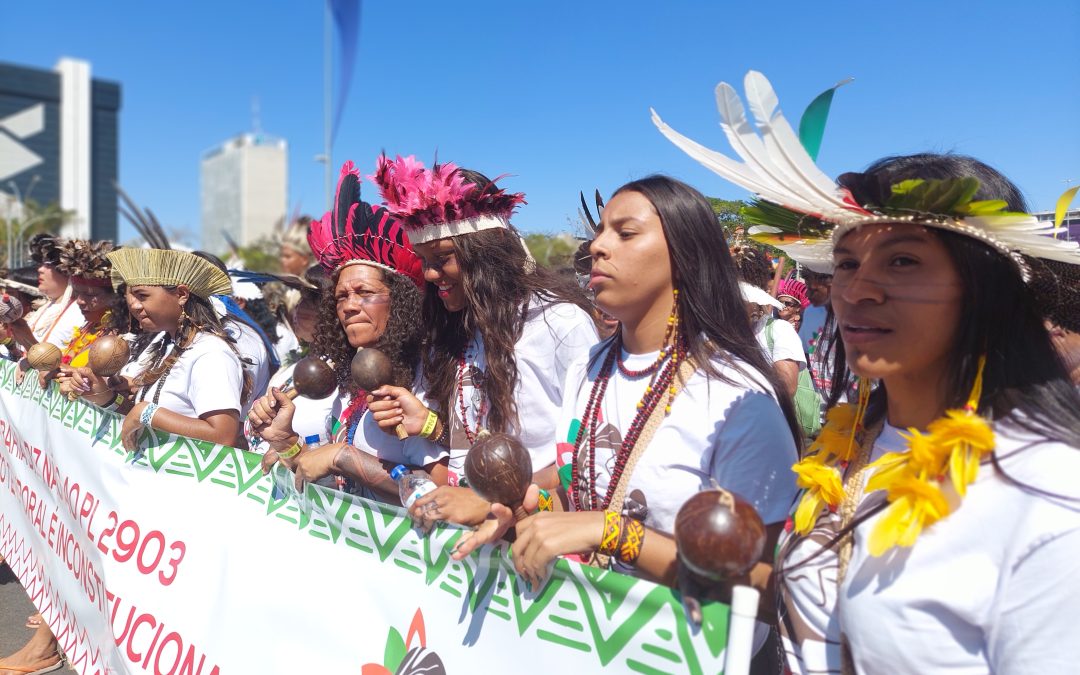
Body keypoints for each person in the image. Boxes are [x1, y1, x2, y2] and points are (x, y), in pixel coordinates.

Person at [657, 71, 1080, 672]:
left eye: (903, 260)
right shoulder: (849, 445)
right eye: (848, 262)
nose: (858, 289)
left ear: (986, 289)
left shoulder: (1049, 495)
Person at [455, 176, 800, 629]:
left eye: (625, 232)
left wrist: (618, 534)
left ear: (685, 254)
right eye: (600, 231)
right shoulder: (587, 368)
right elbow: (579, 499)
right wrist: (521, 514)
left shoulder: (738, 397)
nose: (597, 246)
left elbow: (773, 586)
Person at [367, 155, 598, 526]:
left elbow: (588, 459)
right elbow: (473, 446)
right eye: (424, 260)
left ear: (485, 254)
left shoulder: (560, 323)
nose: (429, 273)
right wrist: (429, 425)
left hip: (538, 542)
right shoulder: (457, 329)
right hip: (465, 541)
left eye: (442, 258)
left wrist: (489, 502)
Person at [248, 161, 446, 503]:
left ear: (402, 302)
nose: (349, 306)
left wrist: (346, 458)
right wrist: (286, 444)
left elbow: (442, 492)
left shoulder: (428, 377)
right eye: (341, 296)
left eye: (365, 294)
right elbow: (330, 469)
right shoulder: (345, 375)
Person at [73, 248, 249, 450]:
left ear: (181, 294)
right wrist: (105, 395)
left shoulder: (211, 353)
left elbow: (223, 435)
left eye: (142, 295)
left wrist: (146, 412)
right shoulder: (166, 344)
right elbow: (142, 422)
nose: (133, 306)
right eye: (130, 296)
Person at [8, 234, 84, 383]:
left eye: (48, 263)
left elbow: (63, 365)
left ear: (68, 272)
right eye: (40, 263)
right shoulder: (46, 309)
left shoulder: (80, 311)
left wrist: (28, 340)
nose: (40, 270)